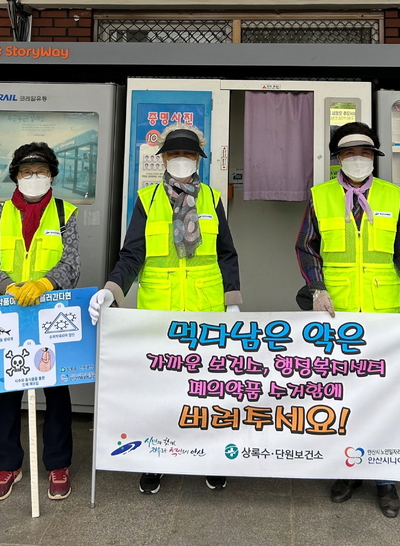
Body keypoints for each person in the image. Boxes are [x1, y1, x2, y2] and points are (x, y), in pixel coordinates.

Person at [295, 122, 400, 518]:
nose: (358, 159)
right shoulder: (321, 196)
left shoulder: (393, 196)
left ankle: (385, 480)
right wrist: (316, 287)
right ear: (339, 159)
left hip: (382, 317)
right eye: (349, 154)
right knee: (342, 396)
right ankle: (347, 471)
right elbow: (307, 247)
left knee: (382, 397)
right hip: (337, 316)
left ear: (374, 158)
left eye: (364, 153)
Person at [89, 123, 241, 495]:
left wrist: (233, 302)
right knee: (160, 390)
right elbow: (132, 255)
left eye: (187, 155)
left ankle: (211, 458)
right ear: (164, 160)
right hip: (160, 312)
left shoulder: (212, 199)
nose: (181, 160)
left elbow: (227, 255)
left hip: (206, 310)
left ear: (198, 161)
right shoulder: (147, 200)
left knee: (207, 390)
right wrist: (112, 291)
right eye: (174, 155)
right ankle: (155, 460)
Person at [0, 142, 80, 501]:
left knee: (56, 389)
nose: (33, 177)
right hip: (9, 314)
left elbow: (72, 265)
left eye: (41, 171)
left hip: (51, 313)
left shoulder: (65, 212)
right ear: (15, 176)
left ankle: (58, 463)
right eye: (26, 172)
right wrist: (9, 287)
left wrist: (44, 284)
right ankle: (8, 464)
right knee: (8, 390)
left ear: (51, 174)